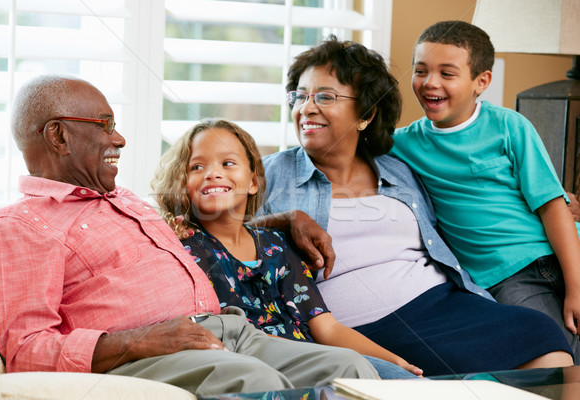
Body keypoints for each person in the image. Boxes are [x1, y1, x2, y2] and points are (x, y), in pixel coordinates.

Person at [0, 75, 380, 396]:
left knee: (351, 370)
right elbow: (26, 348)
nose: (119, 139)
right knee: (255, 384)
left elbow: (215, 226)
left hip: (231, 331)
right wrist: (141, 340)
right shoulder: (21, 226)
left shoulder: (125, 200)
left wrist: (286, 218)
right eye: (106, 126)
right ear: (58, 136)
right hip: (152, 352)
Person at [260, 35, 574, 376]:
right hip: (355, 325)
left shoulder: (399, 166)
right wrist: (284, 219)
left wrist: (561, 201)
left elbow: (470, 195)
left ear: (365, 115)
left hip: (443, 302)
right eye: (300, 96)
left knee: (542, 334)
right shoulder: (269, 172)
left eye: (324, 96)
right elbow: (209, 228)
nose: (306, 107)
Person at [150, 118, 422, 378]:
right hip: (259, 366)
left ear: (253, 182)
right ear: (183, 185)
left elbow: (327, 327)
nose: (213, 173)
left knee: (411, 385)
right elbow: (226, 337)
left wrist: (396, 362)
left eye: (228, 163)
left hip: (317, 358)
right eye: (196, 167)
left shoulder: (276, 246)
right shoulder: (186, 251)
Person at [391, 20, 580, 362]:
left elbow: (553, 207)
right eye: (421, 70)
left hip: (565, 250)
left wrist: (576, 286)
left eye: (447, 73)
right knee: (552, 353)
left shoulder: (510, 126)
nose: (430, 82)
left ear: (482, 82)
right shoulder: (402, 144)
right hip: (506, 275)